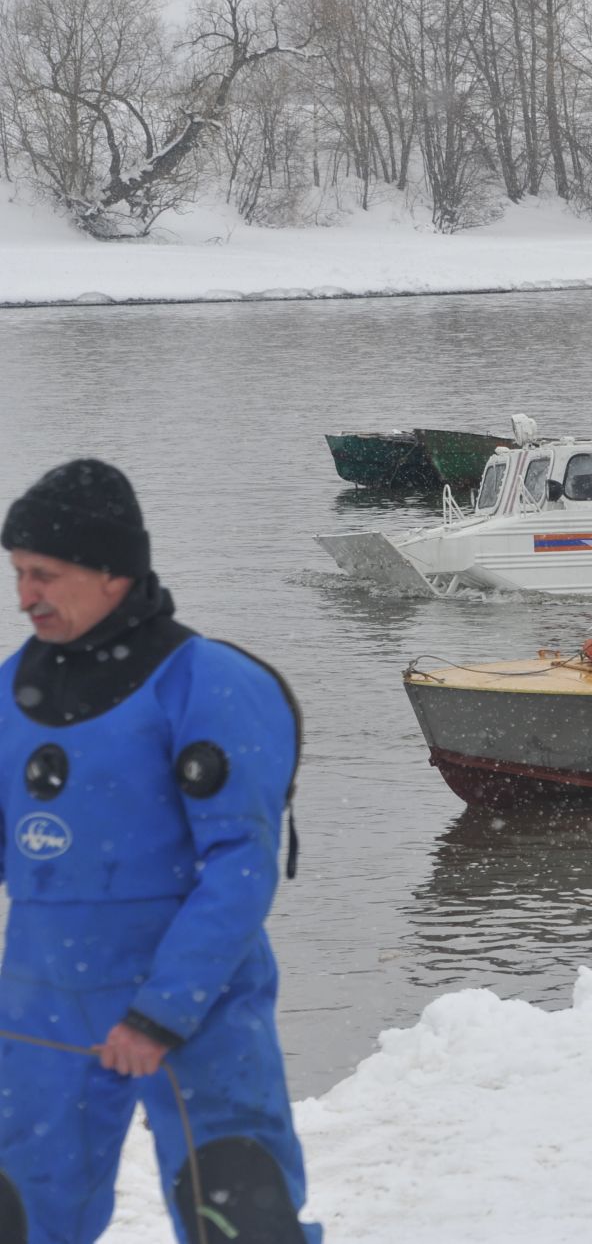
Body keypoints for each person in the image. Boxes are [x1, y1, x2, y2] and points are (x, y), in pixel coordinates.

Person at [0, 461, 320, 1243]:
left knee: (237, 1206)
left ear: (113, 573)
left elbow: (241, 871)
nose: (24, 595)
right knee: (20, 1215)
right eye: (16, 573)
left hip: (195, 1001)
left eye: (45, 573)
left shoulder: (210, 685)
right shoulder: (10, 689)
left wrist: (159, 1013)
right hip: (44, 1001)